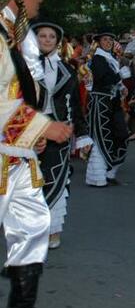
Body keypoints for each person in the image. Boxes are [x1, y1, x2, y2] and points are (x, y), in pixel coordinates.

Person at [0, 0, 73, 308]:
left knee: (32, 224)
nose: (40, 0)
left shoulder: (11, 36)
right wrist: (45, 126)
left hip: (15, 154)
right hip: (5, 152)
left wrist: (32, 135)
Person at [33, 23, 92, 250]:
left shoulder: (67, 70)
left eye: (52, 37)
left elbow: (76, 106)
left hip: (59, 131)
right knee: (29, 184)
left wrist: (83, 135)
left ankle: (52, 230)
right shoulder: (22, 67)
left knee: (56, 178)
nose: (47, 40)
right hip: (29, 130)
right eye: (42, 36)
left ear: (58, 41)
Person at [85, 31, 129, 187]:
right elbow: (103, 79)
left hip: (113, 102)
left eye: (111, 39)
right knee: (101, 137)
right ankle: (97, 177)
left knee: (122, 134)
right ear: (99, 41)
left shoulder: (111, 58)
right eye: (105, 39)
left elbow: (113, 79)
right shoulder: (97, 58)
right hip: (100, 102)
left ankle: (110, 171)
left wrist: (122, 87)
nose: (109, 42)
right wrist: (120, 77)